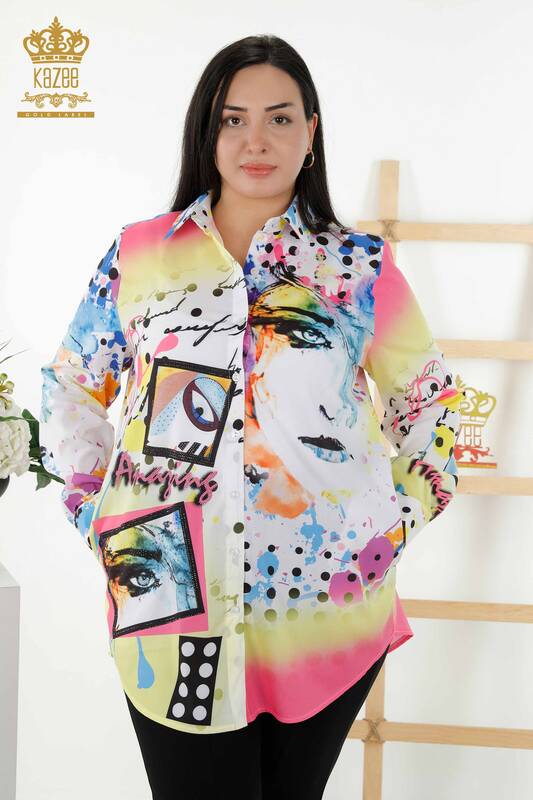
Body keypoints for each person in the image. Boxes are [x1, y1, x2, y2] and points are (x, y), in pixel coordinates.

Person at [39, 34, 463, 800]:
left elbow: (429, 405)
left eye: (278, 118)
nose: (255, 140)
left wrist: (391, 524)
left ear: (311, 132)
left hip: (324, 615)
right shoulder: (140, 256)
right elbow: (72, 387)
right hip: (171, 610)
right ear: (206, 132)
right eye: (232, 119)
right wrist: (95, 513)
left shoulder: (358, 269)